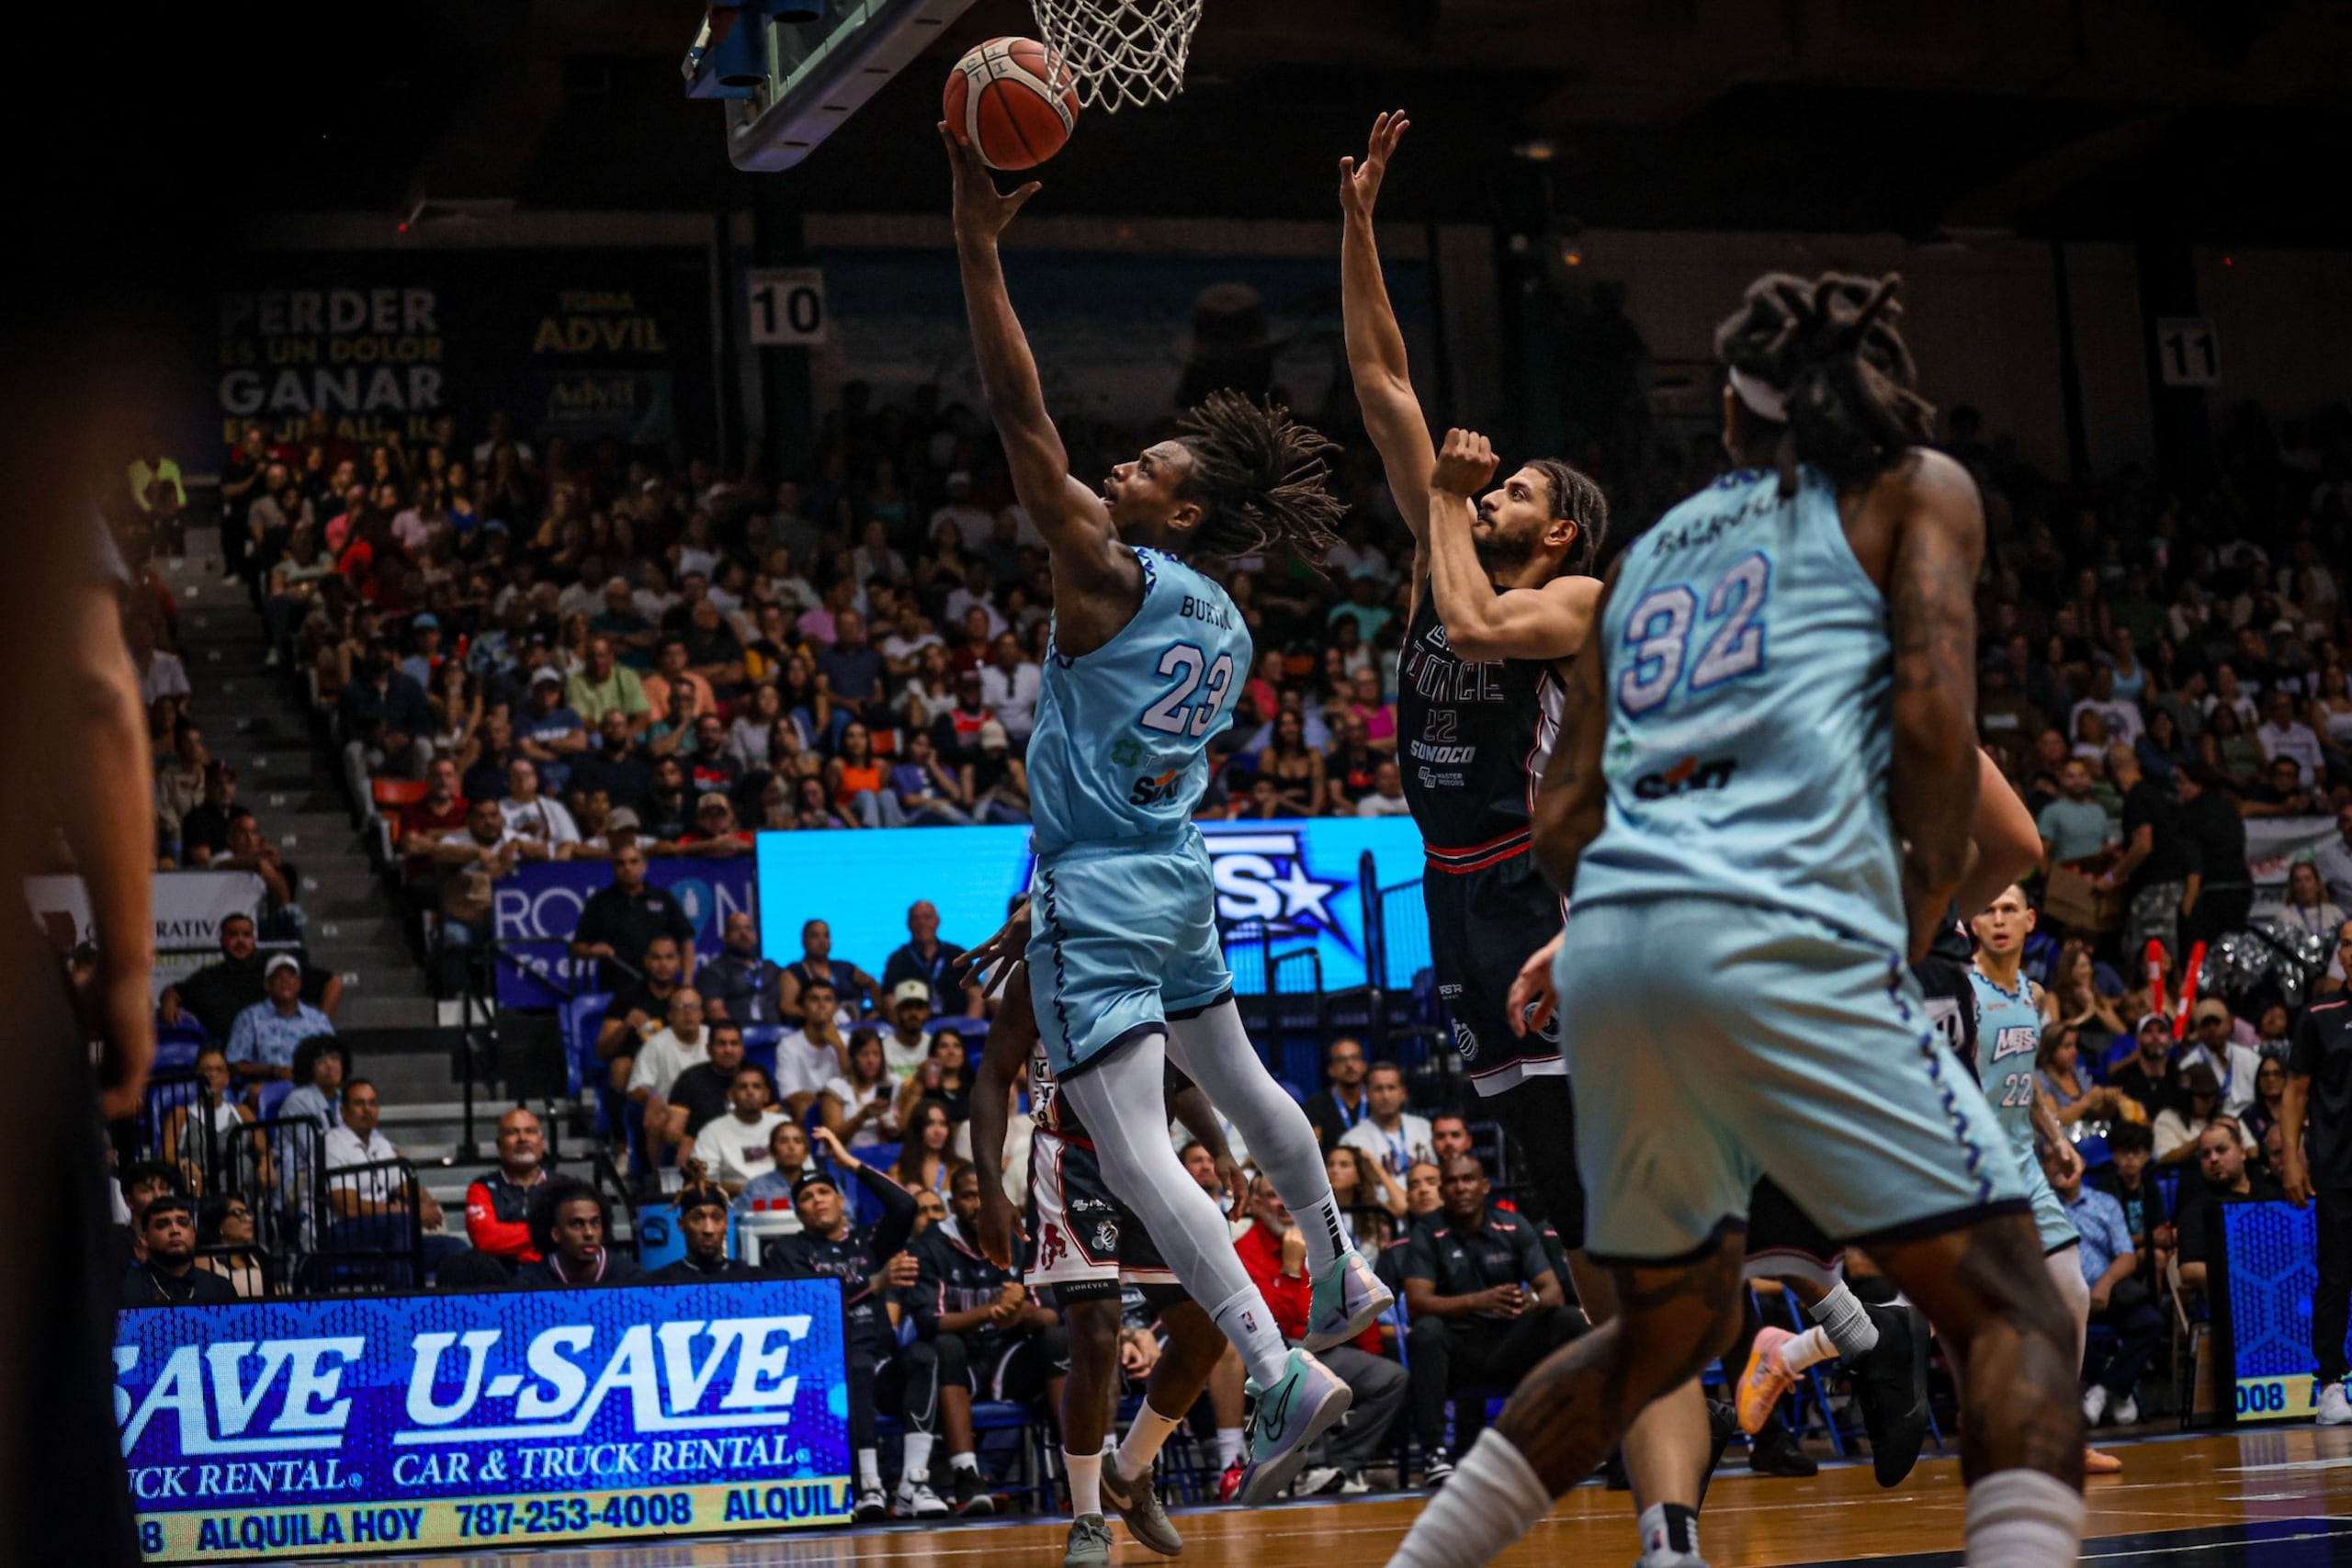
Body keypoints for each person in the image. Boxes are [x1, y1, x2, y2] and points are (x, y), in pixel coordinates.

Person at [1388, 271, 2083, 1568]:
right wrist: (1896, 928)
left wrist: (1591, 928)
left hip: (1630, 945)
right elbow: (1983, 813)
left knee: (1658, 1325)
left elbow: (1568, 810)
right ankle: (1837, 1313)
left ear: (1729, 418)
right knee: (2020, 1317)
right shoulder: (1914, 497)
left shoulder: (1659, 554)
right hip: (1784, 935)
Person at [953, 118, 1382, 1508]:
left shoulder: (1104, 570)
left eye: (1142, 469)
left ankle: (1273, 1363)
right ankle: (1342, 1257)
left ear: (1182, 512)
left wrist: (975, 241)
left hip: (1094, 882)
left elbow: (1021, 416)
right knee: (1248, 1082)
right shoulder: (1229, 621)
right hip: (1181, 867)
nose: (1118, 470)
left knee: (1135, 1147)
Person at [967, 948, 1243, 1567]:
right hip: (1072, 1161)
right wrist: (990, 1187)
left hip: (1149, 1158)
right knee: (1094, 1332)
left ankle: (1131, 1467)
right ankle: (1088, 1516)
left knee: (1204, 1331)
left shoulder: (1146, 956)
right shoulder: (1035, 970)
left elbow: (1178, 1073)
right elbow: (991, 1078)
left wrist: (1218, 1144)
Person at [766, 1125, 922, 1522]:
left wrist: (849, 1163)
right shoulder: (788, 1252)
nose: (816, 1200)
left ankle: (913, 1483)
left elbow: (905, 1206)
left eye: (823, 1192)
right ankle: (868, 1484)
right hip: (827, 1369)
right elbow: (810, 1317)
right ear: (798, 1212)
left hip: (883, 1362)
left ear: (840, 1200)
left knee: (926, 1356)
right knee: (856, 1364)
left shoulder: (869, 1242)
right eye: (806, 1197)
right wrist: (875, 1284)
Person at [1401, 1154, 1583, 1485]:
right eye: (1452, 1182)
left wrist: (1532, 1301)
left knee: (1568, 1320)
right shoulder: (1428, 1232)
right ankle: (1434, 1453)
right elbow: (1418, 1302)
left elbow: (1552, 1291)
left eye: (1468, 1179)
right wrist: (1477, 1301)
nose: (1461, 1188)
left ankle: (1582, 1437)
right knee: (1425, 1332)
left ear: (1485, 1186)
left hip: (1511, 1341)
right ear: (1442, 1190)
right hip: (1460, 1349)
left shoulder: (1513, 1225)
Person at [896, 1163, 1065, 1517]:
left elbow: (1050, 1313)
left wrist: (1018, 1310)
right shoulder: (931, 1246)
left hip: (1007, 1359)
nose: (978, 1204)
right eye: (968, 1196)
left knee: (1057, 1339)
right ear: (953, 1203)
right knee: (945, 1347)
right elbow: (929, 1323)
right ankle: (966, 1474)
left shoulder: (1017, 1240)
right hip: (960, 1367)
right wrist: (992, 1311)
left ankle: (1078, 1467)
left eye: (984, 1195)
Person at [1236, 1173, 1409, 1495]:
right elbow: (1274, 1327)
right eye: (1273, 1196)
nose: (1283, 1204)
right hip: (1278, 1355)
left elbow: (1353, 1303)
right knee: (1301, 1364)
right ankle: (1308, 1469)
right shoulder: (1244, 1253)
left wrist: (1368, 1355)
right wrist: (1290, 1270)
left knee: (1390, 1378)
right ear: (1257, 1205)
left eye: (1287, 1192)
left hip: (1327, 1348)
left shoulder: (1321, 1240)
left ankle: (1338, 1466)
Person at [2281, 925, 2352, 1424]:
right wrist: (2291, 1156)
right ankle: (2330, 1384)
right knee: (2336, 1277)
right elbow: (2295, 1092)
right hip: (2339, 1170)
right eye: (2347, 943)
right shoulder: (2320, 1016)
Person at [2047, 1142, 2160, 1431]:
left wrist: (2105, 1285)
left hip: (2105, 1294)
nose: (2058, 1165)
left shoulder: (2104, 1203)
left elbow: (2127, 1255)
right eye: (2049, 1160)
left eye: (2063, 1158)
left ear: (2079, 1161)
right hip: (2061, 1302)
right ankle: (2113, 1386)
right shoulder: (2041, 1210)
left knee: (2150, 1322)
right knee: (2049, 1332)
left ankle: (2102, 1390)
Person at [161, 912, 341, 1040]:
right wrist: (169, 999)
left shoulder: (276, 967)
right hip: (230, 1064)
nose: (241, 940)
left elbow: (333, 983)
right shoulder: (207, 977)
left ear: (254, 940)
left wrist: (319, 1027)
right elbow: (174, 992)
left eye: (246, 935)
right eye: (233, 935)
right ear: (222, 940)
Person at [569, 843, 695, 990]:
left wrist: (687, 982)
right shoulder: (599, 902)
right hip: (617, 989)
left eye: (633, 862)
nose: (627, 868)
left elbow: (686, 941)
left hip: (660, 988)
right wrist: (592, 951)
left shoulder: (664, 898)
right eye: (620, 863)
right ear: (613, 869)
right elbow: (578, 947)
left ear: (644, 866)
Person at [223, 953, 335, 1087]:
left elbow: (334, 1060)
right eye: (278, 976)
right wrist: (274, 1071)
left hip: (310, 1087)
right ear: (267, 984)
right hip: (266, 1088)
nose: (285, 980)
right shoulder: (248, 1018)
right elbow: (234, 1065)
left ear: (299, 984)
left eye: (291, 976)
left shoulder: (318, 1020)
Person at [512, 1177, 645, 1288]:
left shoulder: (630, 1278)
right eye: (576, 1225)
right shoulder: (530, 1284)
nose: (589, 1233)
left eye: (595, 1223)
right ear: (556, 1234)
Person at [462, 1107, 548, 1270]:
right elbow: (485, 1238)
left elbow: (573, 1238)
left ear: (542, 1143)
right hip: (500, 1281)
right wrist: (545, 1232)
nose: (522, 1138)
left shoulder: (566, 1187)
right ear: (499, 1146)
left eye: (530, 1131)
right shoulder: (480, 1188)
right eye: (512, 1133)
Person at [628, 988, 710, 1158]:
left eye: (693, 1006)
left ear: (702, 1014)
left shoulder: (715, 1039)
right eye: (681, 1007)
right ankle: (660, 1181)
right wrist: (652, 1096)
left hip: (710, 1106)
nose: (688, 1012)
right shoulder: (656, 1044)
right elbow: (635, 1088)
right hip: (671, 1110)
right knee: (657, 1117)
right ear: (670, 1015)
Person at [121, 1194, 239, 1307]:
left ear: (194, 1233)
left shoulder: (220, 1288)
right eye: (162, 1225)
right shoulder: (124, 1288)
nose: (175, 1230)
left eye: (183, 1223)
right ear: (145, 1239)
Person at [691, 1064, 788, 1194]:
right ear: (731, 1095)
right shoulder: (712, 1131)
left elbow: (805, 1170)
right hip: (734, 1202)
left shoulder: (783, 1124)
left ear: (766, 1095)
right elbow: (704, 1180)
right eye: (743, 1087)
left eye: (756, 1086)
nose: (750, 1091)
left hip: (784, 1199)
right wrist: (750, 1190)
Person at [883, 899, 984, 1015]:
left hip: (958, 1026)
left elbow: (976, 995)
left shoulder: (957, 954)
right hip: (914, 1028)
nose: (922, 923)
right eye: (916, 919)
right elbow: (889, 999)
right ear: (908, 924)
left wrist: (969, 1029)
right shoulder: (897, 960)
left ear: (937, 921)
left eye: (927, 917)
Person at [664, 1020, 751, 1154]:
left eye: (734, 1044)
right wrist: (690, 1142)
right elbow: (673, 1132)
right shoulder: (690, 1079)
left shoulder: (757, 1076)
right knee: (685, 1153)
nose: (728, 1050)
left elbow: (772, 1126)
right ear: (709, 1049)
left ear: (743, 1049)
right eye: (721, 1044)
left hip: (750, 1150)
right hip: (707, 1151)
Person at [777, 918, 884, 1023]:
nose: (822, 941)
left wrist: (875, 1012)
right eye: (815, 936)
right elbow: (786, 1007)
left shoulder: (845, 967)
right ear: (804, 941)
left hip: (854, 1030)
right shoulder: (795, 971)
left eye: (826, 936)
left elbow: (872, 983)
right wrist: (821, 1015)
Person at [2181, 998, 2263, 1121]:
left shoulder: (2250, 1057)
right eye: (2206, 1024)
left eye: (2217, 1023)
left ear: (2229, 1024)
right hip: (2211, 1122)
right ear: (2198, 1029)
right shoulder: (2189, 1064)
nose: (2212, 1029)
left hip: (2252, 1120)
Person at [822, 1029, 902, 1150]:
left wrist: (894, 1126)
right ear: (853, 1058)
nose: (871, 1061)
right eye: (864, 1054)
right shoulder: (836, 1087)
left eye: (876, 1054)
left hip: (882, 1157)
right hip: (845, 1158)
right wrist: (862, 1117)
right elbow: (830, 1141)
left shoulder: (893, 1083)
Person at [699, 910, 782, 1025]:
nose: (744, 934)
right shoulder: (714, 971)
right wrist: (735, 1038)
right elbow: (715, 1011)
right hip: (739, 1037)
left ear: (756, 936)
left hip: (777, 1034)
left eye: (749, 929)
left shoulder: (771, 968)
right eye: (736, 929)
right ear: (725, 937)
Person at [1306, 1037, 1374, 1150]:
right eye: (1341, 1060)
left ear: (1364, 1066)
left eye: (1355, 1058)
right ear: (1331, 1070)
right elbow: (1313, 1149)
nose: (1349, 1065)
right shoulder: (1316, 1105)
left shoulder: (1377, 1100)